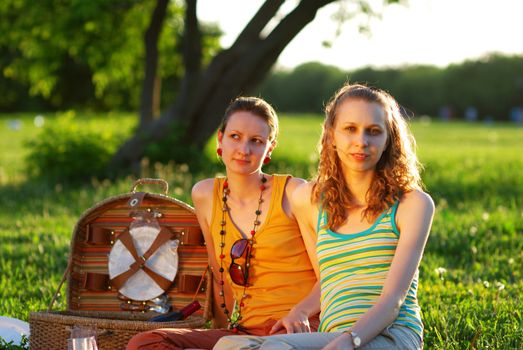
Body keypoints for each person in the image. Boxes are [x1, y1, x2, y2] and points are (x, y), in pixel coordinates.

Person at [213, 83, 435, 350]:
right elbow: (324, 279)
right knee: (228, 345)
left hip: (391, 335)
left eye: (374, 132)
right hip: (333, 335)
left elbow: (393, 302)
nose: (361, 141)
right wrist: (300, 311)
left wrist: (349, 341)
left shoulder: (413, 204)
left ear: (389, 140)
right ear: (331, 135)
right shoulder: (312, 203)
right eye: (350, 129)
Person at [126, 97, 319, 349]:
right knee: (145, 342)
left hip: (297, 330)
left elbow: (330, 274)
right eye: (235, 136)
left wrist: (301, 313)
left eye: (256, 141)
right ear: (220, 139)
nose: (244, 149)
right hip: (245, 334)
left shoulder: (293, 192)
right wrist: (221, 332)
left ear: (269, 148)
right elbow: (219, 275)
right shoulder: (205, 195)